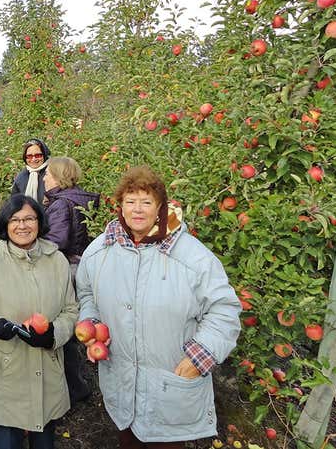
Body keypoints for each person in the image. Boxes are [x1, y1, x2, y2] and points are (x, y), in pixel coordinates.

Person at [75, 166, 241, 449]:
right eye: (130, 201)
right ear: (120, 206)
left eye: (146, 202)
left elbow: (224, 310)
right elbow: (87, 291)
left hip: (170, 386)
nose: (137, 209)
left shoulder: (192, 256)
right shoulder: (100, 251)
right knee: (127, 440)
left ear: (161, 207)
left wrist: (199, 358)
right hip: (121, 383)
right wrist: (91, 322)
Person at [0, 194, 78, 449]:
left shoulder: (56, 261)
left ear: (39, 222)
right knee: (5, 438)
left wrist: (54, 334)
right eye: (15, 220)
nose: (22, 226)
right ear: (5, 224)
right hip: (6, 370)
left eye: (29, 219)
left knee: (44, 437)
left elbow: (70, 310)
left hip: (45, 367)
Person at [42, 156, 100, 405]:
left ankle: (73, 386)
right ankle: (77, 382)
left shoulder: (60, 204)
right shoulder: (82, 200)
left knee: (63, 326)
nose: (44, 178)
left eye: (48, 174)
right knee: (76, 325)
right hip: (82, 265)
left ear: (57, 176)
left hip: (65, 267)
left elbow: (58, 239)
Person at [11, 138, 51, 204]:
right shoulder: (21, 177)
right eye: (29, 156)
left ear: (44, 155)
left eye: (38, 155)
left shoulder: (52, 173)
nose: (34, 159)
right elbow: (15, 202)